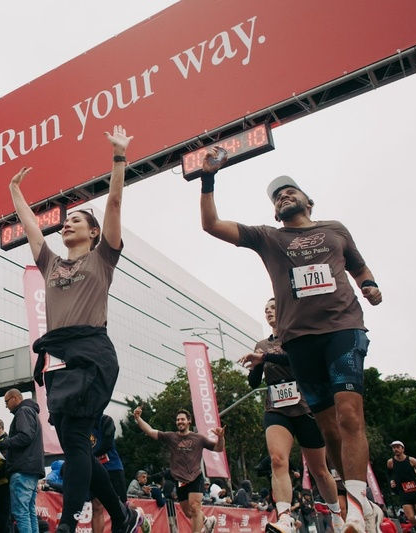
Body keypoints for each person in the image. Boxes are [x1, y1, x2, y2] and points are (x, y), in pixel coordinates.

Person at [198, 155, 382, 533]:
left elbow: (359, 267)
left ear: (307, 201)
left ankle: (359, 507)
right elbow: (212, 225)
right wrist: (207, 180)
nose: (282, 197)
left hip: (343, 329)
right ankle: (350, 503)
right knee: (329, 429)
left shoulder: (336, 230)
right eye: (276, 196)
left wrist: (369, 286)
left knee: (349, 416)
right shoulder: (269, 237)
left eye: (289, 191)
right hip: (299, 340)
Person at [10, 125, 144, 533]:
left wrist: (119, 157)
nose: (67, 225)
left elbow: (116, 203)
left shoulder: (103, 258)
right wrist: (15, 190)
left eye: (77, 221)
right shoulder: (51, 264)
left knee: (78, 436)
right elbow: (32, 226)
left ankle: (69, 523)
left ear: (94, 232)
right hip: (66, 360)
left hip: (95, 354)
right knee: (72, 442)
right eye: (65, 222)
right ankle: (124, 517)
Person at [240, 297, 344, 533]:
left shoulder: (297, 336)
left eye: (273, 308)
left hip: (306, 406)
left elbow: (297, 361)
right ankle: (285, 515)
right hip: (276, 409)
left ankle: (337, 514)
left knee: (319, 470)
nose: (268, 312)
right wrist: (256, 365)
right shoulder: (261, 345)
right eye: (265, 309)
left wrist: (265, 358)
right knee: (278, 460)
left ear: (284, 310)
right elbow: (253, 383)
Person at [133, 406, 223, 533]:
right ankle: (207, 521)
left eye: (182, 419)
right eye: (178, 420)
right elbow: (151, 431)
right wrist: (138, 418)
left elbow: (219, 449)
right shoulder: (171, 436)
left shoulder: (199, 439)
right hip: (180, 480)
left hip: (195, 477)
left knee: (195, 507)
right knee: (188, 513)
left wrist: (221, 438)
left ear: (189, 421)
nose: (180, 421)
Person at [0, 389, 44, 533]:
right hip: (32, 469)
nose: (6, 406)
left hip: (22, 469)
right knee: (29, 512)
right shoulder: (32, 412)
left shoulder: (23, 411)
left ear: (15, 398)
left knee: (21, 512)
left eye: (6, 402)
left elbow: (25, 436)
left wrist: (4, 443)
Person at [387, 441, 416, 533]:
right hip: (403, 492)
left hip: (415, 491)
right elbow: (389, 476)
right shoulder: (390, 462)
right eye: (393, 447)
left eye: (398, 447)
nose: (395, 449)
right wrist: (392, 482)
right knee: (410, 518)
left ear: (403, 449)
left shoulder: (411, 460)